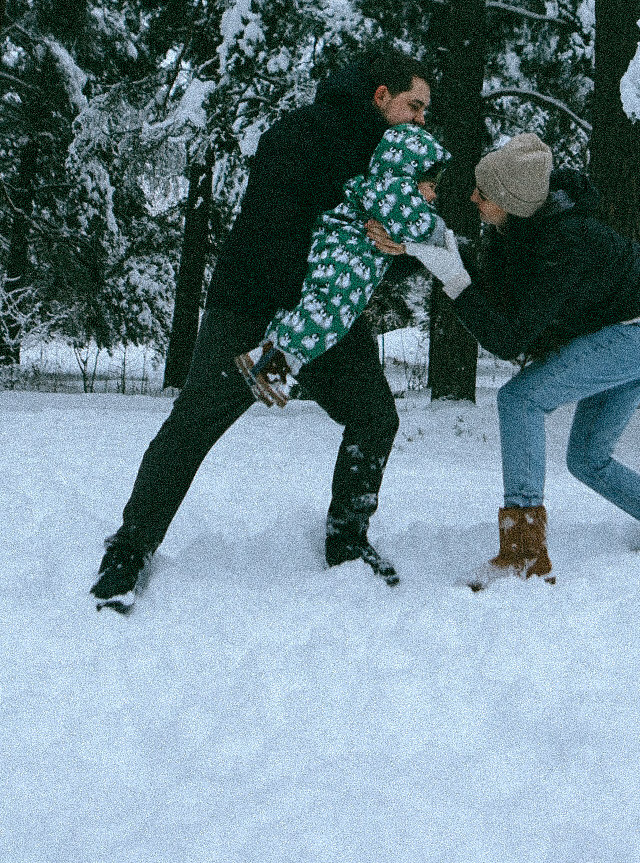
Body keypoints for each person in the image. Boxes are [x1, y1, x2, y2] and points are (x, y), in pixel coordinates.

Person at [91, 48, 431, 610]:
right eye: (414, 106)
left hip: (322, 318)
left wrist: (396, 240)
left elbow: (372, 244)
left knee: (375, 417)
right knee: (195, 423)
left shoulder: (390, 160)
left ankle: (347, 543)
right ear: (381, 97)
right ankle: (131, 546)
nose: (422, 119)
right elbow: (285, 217)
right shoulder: (305, 133)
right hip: (252, 307)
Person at [402, 133, 640, 587]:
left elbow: (508, 337)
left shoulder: (565, 244)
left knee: (520, 400)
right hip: (639, 327)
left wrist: (455, 280)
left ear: (509, 201)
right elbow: (494, 289)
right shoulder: (520, 229)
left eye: (483, 194)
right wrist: (422, 251)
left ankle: (524, 553)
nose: (473, 198)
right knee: (588, 460)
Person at [235, 121, 450, 403]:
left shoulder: (382, 189)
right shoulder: (394, 193)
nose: (433, 196)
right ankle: (269, 368)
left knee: (315, 312)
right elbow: (420, 227)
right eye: (431, 185)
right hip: (345, 262)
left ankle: (270, 362)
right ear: (409, 175)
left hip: (341, 258)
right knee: (324, 317)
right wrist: (440, 231)